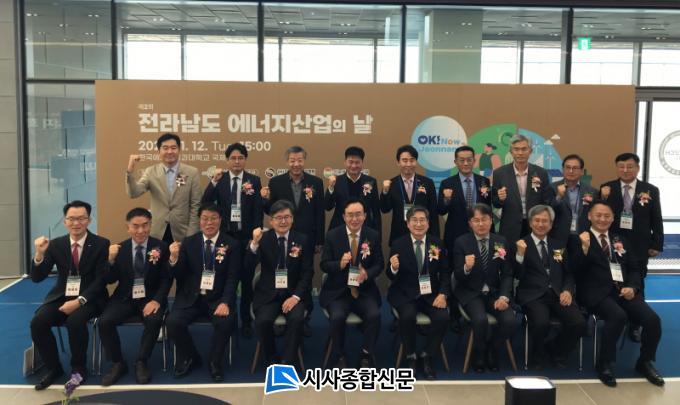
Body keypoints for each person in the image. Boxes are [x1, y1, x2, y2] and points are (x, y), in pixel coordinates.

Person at [570, 200, 663, 387]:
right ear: (589, 216)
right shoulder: (578, 239)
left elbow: (634, 268)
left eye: (607, 216)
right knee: (618, 316)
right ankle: (604, 363)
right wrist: (584, 249)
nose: (602, 219)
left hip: (623, 291)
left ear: (613, 218)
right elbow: (573, 271)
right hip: (595, 293)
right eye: (598, 215)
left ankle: (644, 361)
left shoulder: (619, 239)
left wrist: (633, 287)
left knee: (652, 320)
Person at [30, 200, 110, 390]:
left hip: (91, 297)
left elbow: (101, 280)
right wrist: (39, 254)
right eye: (71, 219)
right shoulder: (56, 244)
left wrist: (80, 301)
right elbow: (37, 277)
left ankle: (78, 369)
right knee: (38, 322)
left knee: (75, 321)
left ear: (89, 220)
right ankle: (54, 368)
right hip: (62, 295)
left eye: (81, 218)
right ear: (65, 221)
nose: (76, 223)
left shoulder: (101, 243)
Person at [165, 203, 240, 382]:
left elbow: (233, 278)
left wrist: (225, 302)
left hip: (218, 299)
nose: (209, 223)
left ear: (220, 220)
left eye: (213, 218)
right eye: (205, 219)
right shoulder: (189, 242)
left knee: (225, 322)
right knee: (173, 322)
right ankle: (191, 356)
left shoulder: (232, 244)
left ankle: (215, 362)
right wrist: (173, 258)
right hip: (191, 298)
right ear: (199, 221)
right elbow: (178, 274)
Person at [99, 208, 171, 385]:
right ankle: (118, 363)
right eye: (136, 226)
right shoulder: (120, 249)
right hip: (124, 298)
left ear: (150, 225)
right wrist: (110, 260)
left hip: (150, 298)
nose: (140, 230)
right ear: (128, 227)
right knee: (104, 321)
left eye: (145, 225)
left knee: (154, 320)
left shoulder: (161, 247)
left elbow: (166, 279)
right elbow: (109, 279)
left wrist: (156, 300)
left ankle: (142, 361)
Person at [599, 152, 663, 343]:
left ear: (637, 168)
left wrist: (656, 243)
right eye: (621, 166)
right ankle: (615, 317)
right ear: (617, 168)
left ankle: (635, 324)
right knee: (612, 280)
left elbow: (656, 218)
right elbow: (598, 213)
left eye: (629, 166)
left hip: (639, 245)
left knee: (637, 283)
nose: (625, 170)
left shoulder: (650, 190)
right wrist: (602, 197)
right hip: (613, 244)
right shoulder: (607, 188)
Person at [202, 142, 263, 338]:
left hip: (246, 238)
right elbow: (206, 202)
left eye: (241, 158)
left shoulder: (254, 180)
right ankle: (228, 318)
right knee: (226, 279)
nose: (237, 161)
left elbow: (257, 209)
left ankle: (246, 321)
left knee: (246, 280)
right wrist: (213, 181)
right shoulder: (220, 180)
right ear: (227, 160)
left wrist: (256, 235)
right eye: (233, 158)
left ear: (245, 160)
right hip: (225, 237)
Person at [261, 146, 324, 335]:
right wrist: (264, 199)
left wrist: (319, 239)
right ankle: (280, 314)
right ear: (287, 162)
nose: (296, 164)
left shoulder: (316, 182)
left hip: (307, 238)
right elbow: (271, 210)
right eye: (292, 160)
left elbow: (320, 213)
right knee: (282, 270)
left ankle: (304, 318)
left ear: (304, 161)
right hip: (283, 236)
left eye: (299, 160)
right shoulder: (276, 182)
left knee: (305, 275)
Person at [514, 205, 585, 369]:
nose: (541, 224)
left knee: (579, 323)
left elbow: (568, 273)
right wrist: (520, 255)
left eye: (545, 221)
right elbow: (517, 275)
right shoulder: (521, 244)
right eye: (537, 220)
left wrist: (568, 290)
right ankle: (537, 356)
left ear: (551, 224)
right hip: (533, 295)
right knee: (541, 323)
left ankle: (556, 349)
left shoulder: (558, 245)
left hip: (558, 293)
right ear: (530, 223)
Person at [246, 200, 314, 367]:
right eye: (278, 218)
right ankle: (272, 357)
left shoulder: (302, 240)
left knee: (297, 319)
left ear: (292, 219)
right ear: (271, 221)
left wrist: (296, 297)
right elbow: (247, 266)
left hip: (293, 293)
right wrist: (254, 243)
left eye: (287, 217)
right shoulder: (263, 239)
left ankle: (287, 361)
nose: (283, 221)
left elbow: (307, 273)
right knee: (262, 321)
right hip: (268, 294)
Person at [386, 206, 449, 380]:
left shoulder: (437, 244)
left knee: (443, 317)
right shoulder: (398, 244)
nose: (418, 224)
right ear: (408, 223)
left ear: (428, 223)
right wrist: (393, 267)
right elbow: (389, 275)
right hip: (404, 293)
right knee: (407, 316)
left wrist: (443, 294)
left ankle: (427, 355)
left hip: (431, 294)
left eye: (422, 220)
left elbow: (445, 272)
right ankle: (411, 356)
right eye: (414, 220)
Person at [320, 199, 384, 368]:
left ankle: (366, 354)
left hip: (364, 291)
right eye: (350, 215)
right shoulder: (332, 235)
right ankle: (339, 355)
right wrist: (339, 264)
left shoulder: (373, 235)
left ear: (364, 216)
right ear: (344, 216)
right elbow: (324, 264)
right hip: (338, 292)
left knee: (374, 315)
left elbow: (379, 264)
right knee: (337, 317)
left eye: (358, 214)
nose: (354, 219)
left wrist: (367, 273)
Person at [453, 203, 517, 372]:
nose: (481, 224)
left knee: (510, 320)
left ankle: (492, 349)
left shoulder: (500, 241)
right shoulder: (461, 242)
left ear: (491, 221)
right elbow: (458, 276)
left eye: (484, 219)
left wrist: (504, 296)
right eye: (476, 220)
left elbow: (507, 273)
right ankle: (479, 353)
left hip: (494, 293)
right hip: (471, 293)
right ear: (470, 223)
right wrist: (466, 268)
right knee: (480, 320)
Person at [126, 133, 201, 243]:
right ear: (159, 151)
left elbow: (196, 205)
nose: (169, 151)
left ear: (179, 150)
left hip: (182, 232)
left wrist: (191, 234)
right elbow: (134, 193)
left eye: (173, 148)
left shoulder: (191, 172)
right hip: (158, 232)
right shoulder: (151, 172)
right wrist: (130, 171)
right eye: (165, 148)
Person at [492, 134, 554, 245]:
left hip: (535, 226)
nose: (520, 153)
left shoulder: (541, 173)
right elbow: (495, 203)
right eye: (516, 149)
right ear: (511, 152)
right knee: (510, 255)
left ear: (530, 151)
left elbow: (547, 201)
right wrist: (500, 199)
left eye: (524, 149)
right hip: (510, 227)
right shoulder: (499, 173)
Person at [381, 145, 439, 246]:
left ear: (416, 162)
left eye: (412, 160)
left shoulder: (427, 183)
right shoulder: (391, 184)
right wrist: (385, 191)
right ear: (398, 162)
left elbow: (433, 213)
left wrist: (435, 238)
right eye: (404, 160)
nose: (408, 164)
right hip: (399, 235)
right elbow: (385, 209)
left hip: (423, 235)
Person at [324, 146, 381, 237]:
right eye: (350, 162)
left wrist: (378, 235)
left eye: (357, 162)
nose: (354, 166)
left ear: (362, 163)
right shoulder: (337, 181)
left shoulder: (370, 182)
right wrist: (331, 187)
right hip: (339, 228)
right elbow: (327, 207)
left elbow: (376, 212)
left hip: (365, 229)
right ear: (345, 162)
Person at [550, 154, 597, 244]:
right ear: (563, 169)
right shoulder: (552, 188)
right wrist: (558, 197)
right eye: (568, 167)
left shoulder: (591, 191)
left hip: (582, 237)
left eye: (575, 168)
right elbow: (548, 211)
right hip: (558, 236)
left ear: (582, 171)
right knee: (559, 254)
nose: (571, 171)